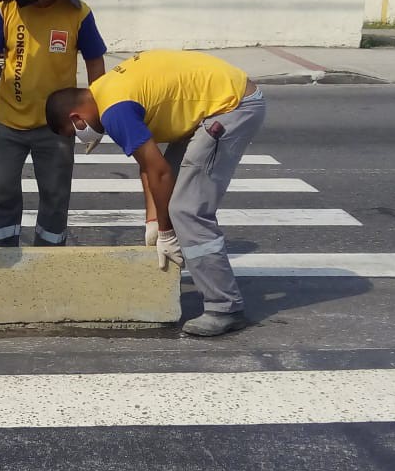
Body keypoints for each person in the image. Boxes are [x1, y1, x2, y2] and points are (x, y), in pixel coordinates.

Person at [44, 50, 266, 337]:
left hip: (232, 107)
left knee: (187, 210)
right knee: (171, 197)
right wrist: (152, 220)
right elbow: (148, 166)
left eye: (74, 132)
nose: (81, 137)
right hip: (217, 101)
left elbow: (157, 170)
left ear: (77, 117)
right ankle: (217, 294)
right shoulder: (102, 91)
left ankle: (224, 307)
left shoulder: (114, 111)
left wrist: (166, 232)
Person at [0, 0, 107, 247]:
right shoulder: (6, 8)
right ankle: (1, 252)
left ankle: (49, 259)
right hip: (8, 123)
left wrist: (96, 115)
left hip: (56, 127)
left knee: (56, 197)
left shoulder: (78, 14)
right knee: (0, 191)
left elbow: (95, 61)